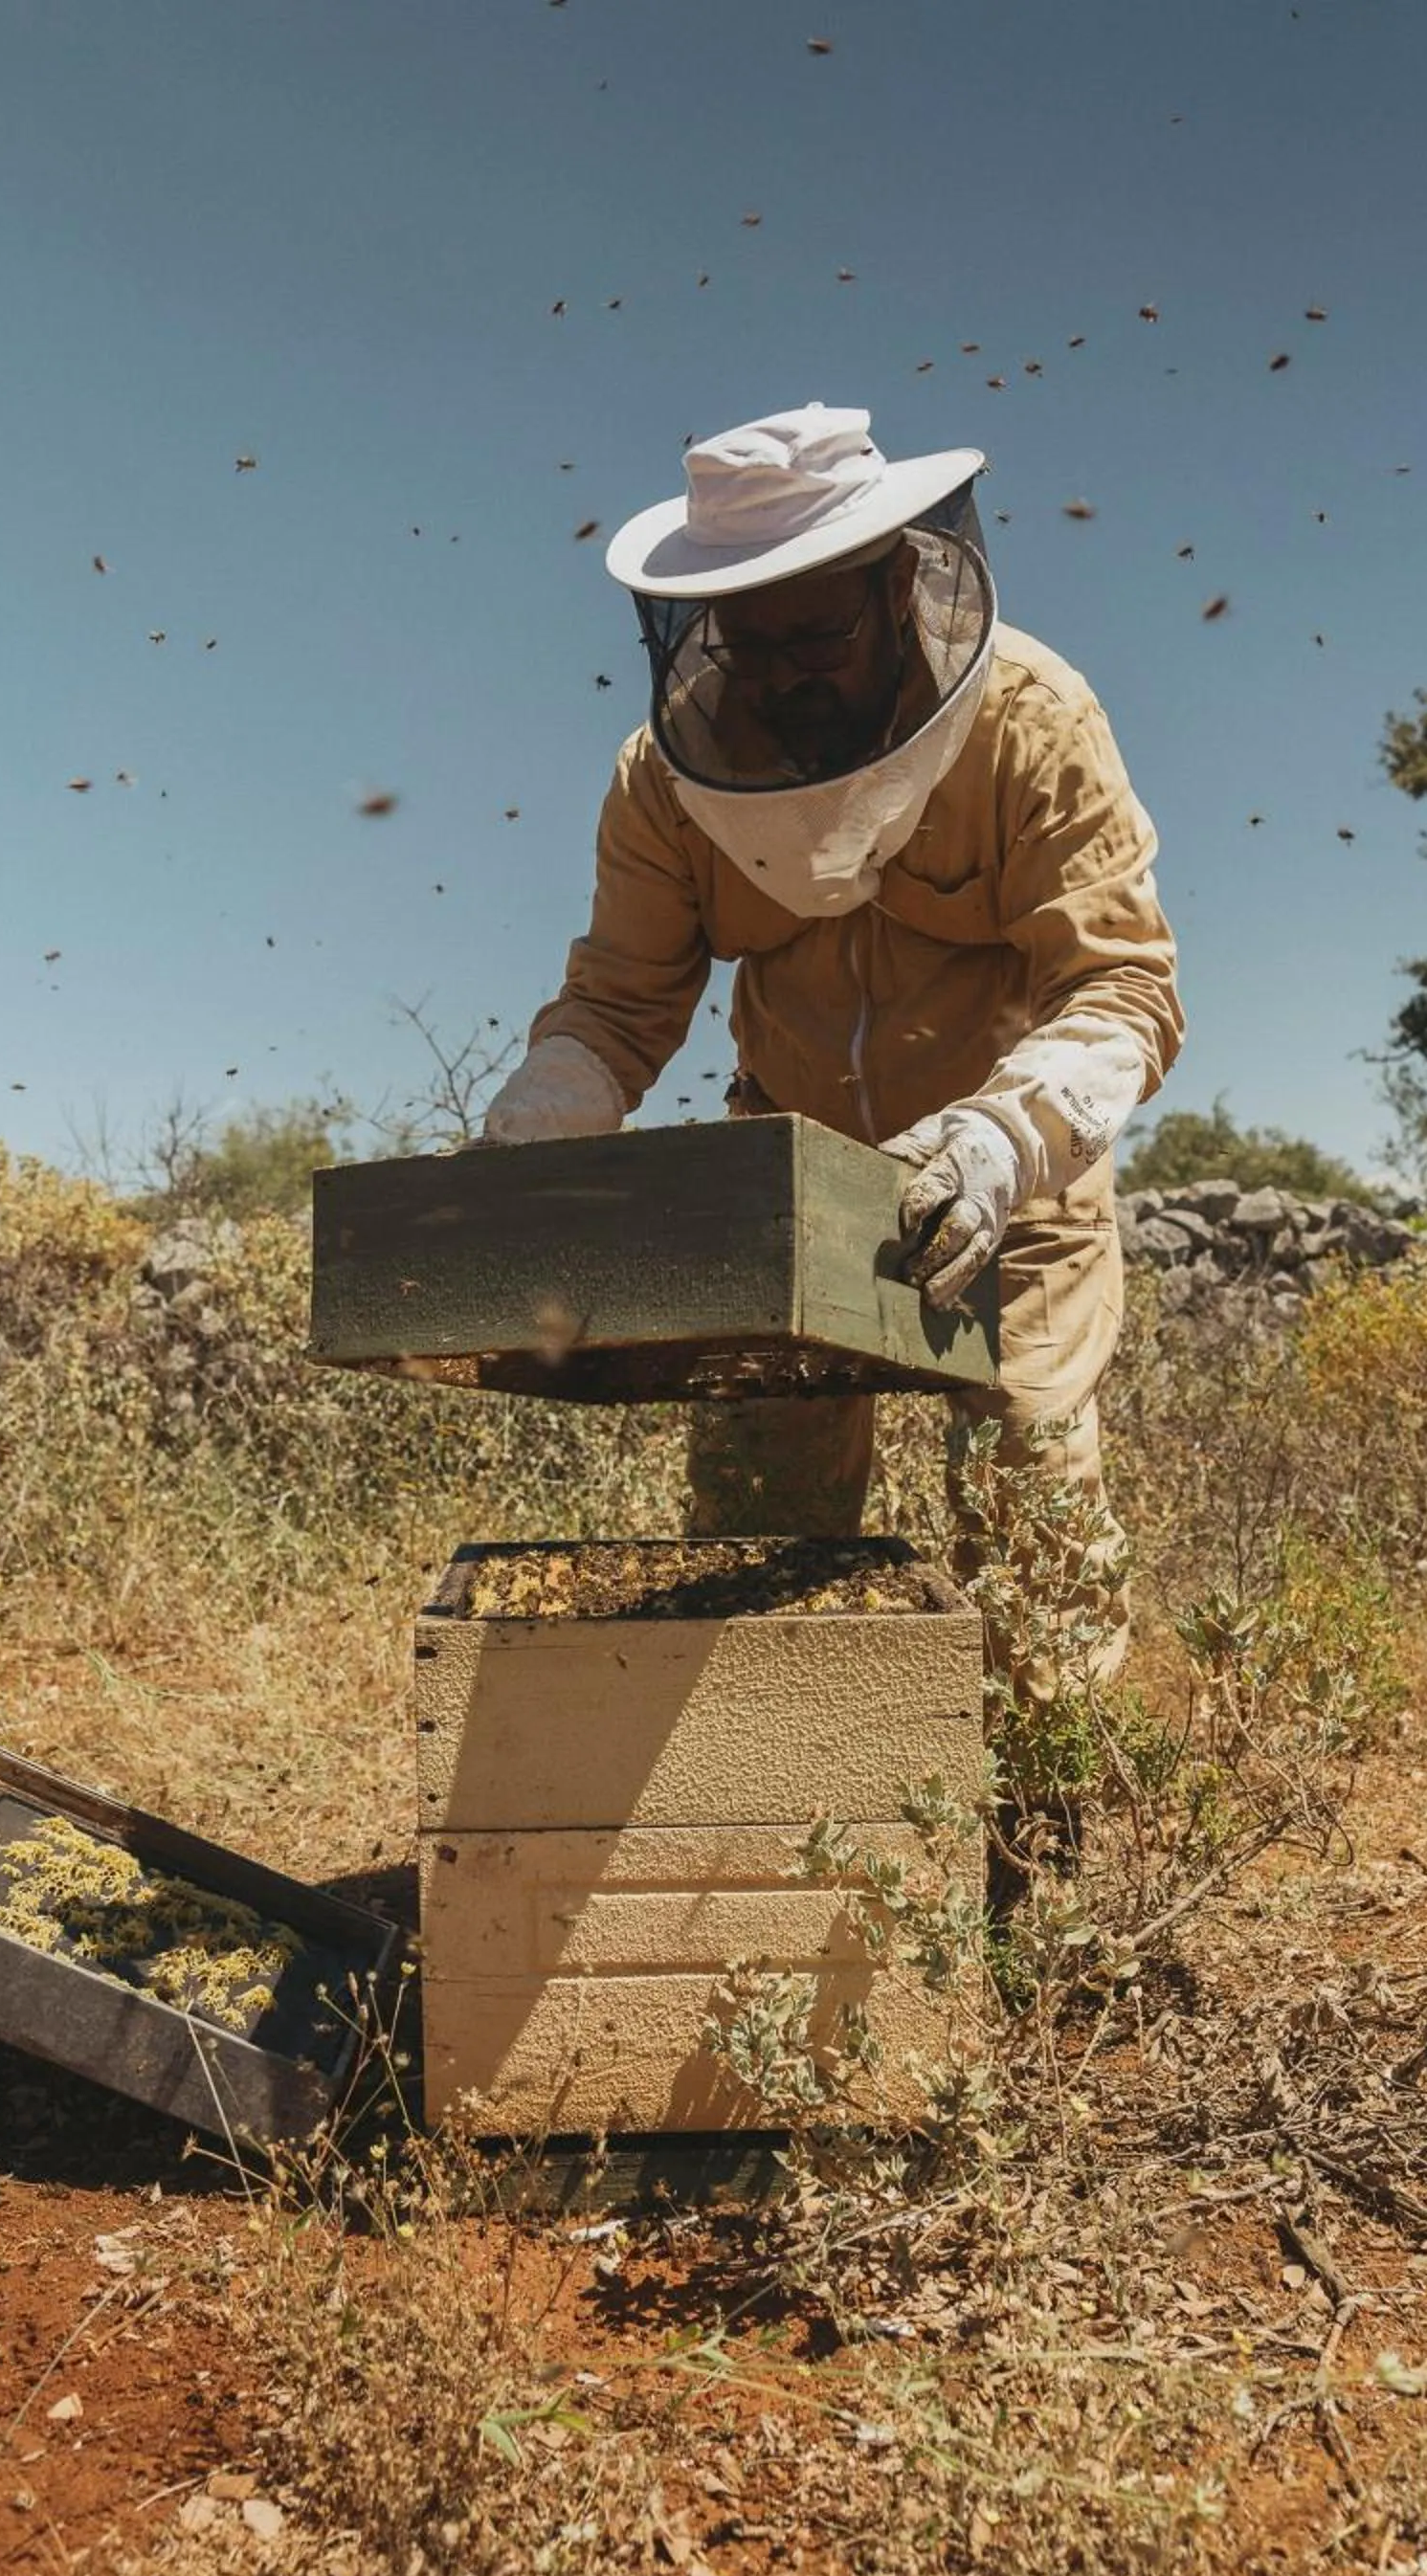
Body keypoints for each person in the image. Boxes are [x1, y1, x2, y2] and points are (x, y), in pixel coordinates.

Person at [481, 402, 1182, 1689]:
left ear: (904, 580)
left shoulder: (1031, 720)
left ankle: (1052, 1837)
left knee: (1033, 1513)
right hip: (791, 1189)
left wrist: (1002, 1140)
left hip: (1007, 1185)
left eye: (819, 633)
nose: (788, 673)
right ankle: (770, 1821)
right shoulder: (666, 780)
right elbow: (619, 1004)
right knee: (758, 1527)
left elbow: (1122, 986)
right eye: (755, 645)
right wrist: (542, 1113)